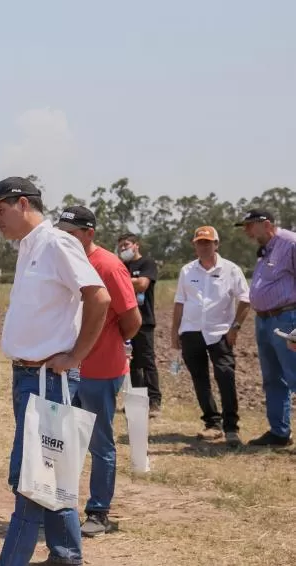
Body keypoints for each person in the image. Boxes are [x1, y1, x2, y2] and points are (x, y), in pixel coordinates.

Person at [0, 177, 110, 566]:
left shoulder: (57, 242)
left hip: (47, 379)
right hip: (29, 378)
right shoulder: (28, 247)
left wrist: (76, 355)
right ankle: (66, 555)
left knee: (32, 480)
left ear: (22, 204)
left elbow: (98, 296)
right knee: (50, 475)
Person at [56, 207, 141, 538]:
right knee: (66, 438)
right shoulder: (65, 263)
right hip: (68, 368)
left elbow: (131, 321)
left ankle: (99, 511)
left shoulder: (108, 266)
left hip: (101, 369)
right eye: (62, 233)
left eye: (72, 233)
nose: (65, 239)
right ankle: (62, 505)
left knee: (99, 441)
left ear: (90, 233)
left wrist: (103, 343)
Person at [171, 226, 249, 448]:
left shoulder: (231, 270)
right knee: (200, 380)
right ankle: (212, 424)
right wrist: (174, 332)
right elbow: (179, 302)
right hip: (191, 331)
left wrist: (235, 327)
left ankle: (231, 428)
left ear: (216, 244)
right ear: (194, 245)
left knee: (225, 376)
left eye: (208, 242)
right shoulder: (187, 271)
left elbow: (245, 299)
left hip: (220, 333)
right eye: (199, 242)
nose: (203, 246)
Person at [235, 208, 296, 447]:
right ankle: (280, 432)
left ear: (266, 223)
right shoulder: (265, 249)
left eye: (250, 225)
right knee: (273, 378)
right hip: (264, 320)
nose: (247, 231)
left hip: (287, 319)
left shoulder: (290, 244)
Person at [117, 232, 162, 417]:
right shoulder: (122, 265)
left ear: (136, 245)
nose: (123, 248)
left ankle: (154, 401)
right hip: (126, 321)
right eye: (120, 246)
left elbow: (142, 284)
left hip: (144, 321)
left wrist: (120, 280)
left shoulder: (147, 263)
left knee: (147, 361)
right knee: (132, 362)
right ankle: (137, 401)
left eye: (126, 244)